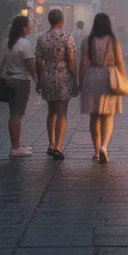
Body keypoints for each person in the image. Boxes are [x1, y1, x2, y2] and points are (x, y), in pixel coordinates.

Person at [79, 13, 126, 163]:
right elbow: (120, 62)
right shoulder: (114, 41)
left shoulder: (88, 40)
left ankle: (96, 151)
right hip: (109, 77)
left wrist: (80, 81)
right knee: (108, 115)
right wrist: (123, 79)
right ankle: (104, 147)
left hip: (92, 76)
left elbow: (83, 63)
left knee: (94, 116)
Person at [35, 9, 77, 160]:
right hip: (62, 75)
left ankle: (51, 144)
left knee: (51, 112)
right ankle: (59, 146)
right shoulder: (67, 36)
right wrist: (75, 78)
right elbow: (71, 59)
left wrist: (39, 78)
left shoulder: (42, 38)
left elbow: (38, 61)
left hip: (47, 74)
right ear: (62, 20)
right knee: (62, 113)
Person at [2, 16, 38, 157]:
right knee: (17, 114)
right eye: (29, 25)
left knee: (13, 113)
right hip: (21, 80)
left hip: (9, 79)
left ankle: (16, 143)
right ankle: (15, 147)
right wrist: (36, 79)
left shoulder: (6, 42)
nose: (30, 28)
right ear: (23, 27)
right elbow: (30, 64)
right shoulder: (24, 43)